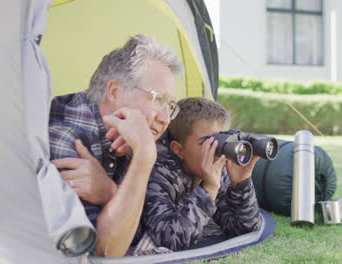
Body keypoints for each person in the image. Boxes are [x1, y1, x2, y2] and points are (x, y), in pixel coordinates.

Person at [49, 34, 184, 257]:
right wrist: (144, 157)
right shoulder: (67, 137)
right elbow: (103, 251)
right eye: (158, 99)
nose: (165, 118)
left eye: (170, 106)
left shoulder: (132, 134)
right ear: (115, 92)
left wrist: (110, 193)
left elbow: (139, 228)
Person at [142, 97, 261, 251]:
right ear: (179, 149)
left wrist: (241, 185)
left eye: (222, 141)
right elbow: (170, 241)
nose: (216, 150)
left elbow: (245, 231)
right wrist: (209, 189)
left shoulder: (217, 167)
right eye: (208, 143)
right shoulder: (158, 172)